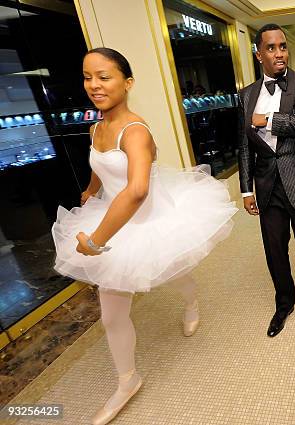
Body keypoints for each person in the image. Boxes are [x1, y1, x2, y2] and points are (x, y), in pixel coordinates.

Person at [52, 48, 237, 424]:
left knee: (174, 274)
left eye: (104, 76)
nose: (94, 85)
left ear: (127, 82)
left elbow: (136, 190)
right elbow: (102, 168)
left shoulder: (135, 131)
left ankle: (191, 302)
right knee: (111, 314)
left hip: (149, 220)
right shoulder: (96, 127)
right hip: (115, 219)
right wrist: (90, 190)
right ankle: (127, 380)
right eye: (88, 77)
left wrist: (95, 240)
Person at [238, 24, 295, 338]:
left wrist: (271, 120)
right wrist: (246, 189)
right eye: (271, 48)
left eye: (283, 46)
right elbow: (245, 145)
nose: (279, 53)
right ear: (258, 53)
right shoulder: (246, 94)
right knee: (274, 247)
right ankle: (284, 303)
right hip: (267, 184)